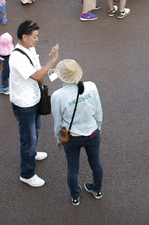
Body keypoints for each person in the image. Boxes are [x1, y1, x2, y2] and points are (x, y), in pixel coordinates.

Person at [10, 19, 59, 187]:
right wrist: (52, 60)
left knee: (36, 128)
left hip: (34, 97)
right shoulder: (16, 57)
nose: (37, 39)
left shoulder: (30, 49)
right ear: (24, 37)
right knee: (28, 138)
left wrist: (49, 72)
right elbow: (36, 75)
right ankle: (27, 173)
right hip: (24, 104)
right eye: (35, 36)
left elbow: (38, 70)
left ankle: (32, 153)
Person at [50, 59, 104, 206]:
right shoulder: (91, 86)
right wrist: (99, 125)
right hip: (92, 132)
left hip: (71, 136)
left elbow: (58, 122)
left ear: (61, 76)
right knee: (95, 163)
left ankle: (75, 196)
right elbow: (98, 109)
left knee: (72, 168)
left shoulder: (57, 95)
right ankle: (97, 190)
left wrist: (59, 139)